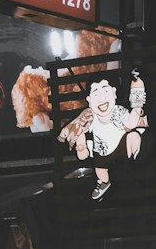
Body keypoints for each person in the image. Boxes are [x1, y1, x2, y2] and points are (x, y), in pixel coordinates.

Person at [57, 70, 147, 202]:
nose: (101, 98)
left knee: (133, 137)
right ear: (89, 100)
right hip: (102, 152)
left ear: (114, 93)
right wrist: (81, 147)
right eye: (96, 93)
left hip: (122, 146)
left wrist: (137, 106)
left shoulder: (118, 111)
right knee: (100, 167)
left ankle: (138, 155)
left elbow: (132, 122)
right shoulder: (89, 117)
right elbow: (80, 130)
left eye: (105, 91)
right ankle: (104, 182)